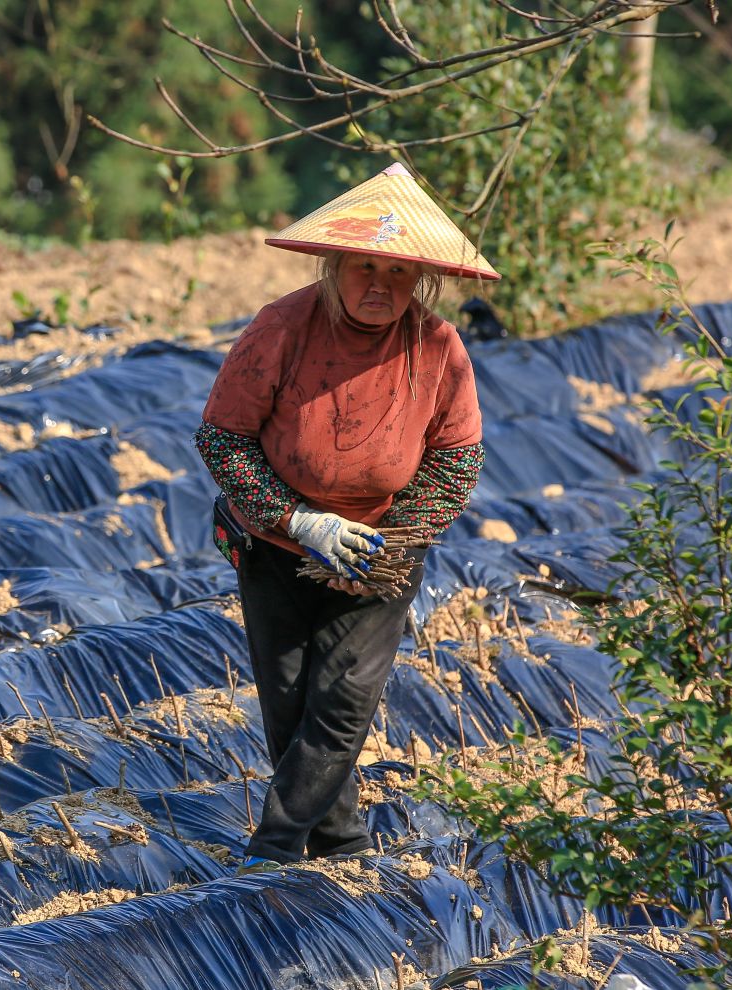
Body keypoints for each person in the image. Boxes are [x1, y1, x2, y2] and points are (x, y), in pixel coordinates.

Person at [194, 162, 492, 868]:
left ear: (420, 280)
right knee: (290, 699)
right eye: (365, 267)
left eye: (398, 272)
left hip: (380, 547)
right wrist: (300, 521)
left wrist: (384, 545)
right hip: (276, 542)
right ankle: (341, 843)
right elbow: (223, 437)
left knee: (343, 698)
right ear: (332, 265)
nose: (379, 285)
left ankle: (273, 849)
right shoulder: (281, 328)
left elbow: (456, 461)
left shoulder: (438, 349)